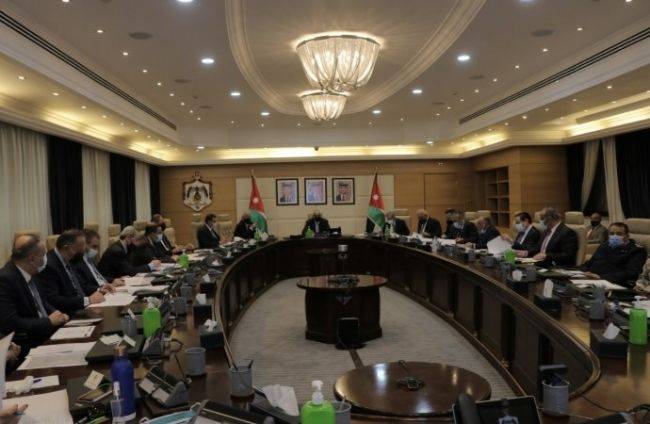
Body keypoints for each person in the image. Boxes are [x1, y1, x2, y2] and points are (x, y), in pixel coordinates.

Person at [0, 235, 69, 354]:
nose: (46, 259)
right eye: (43, 255)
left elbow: (43, 303)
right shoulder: (5, 280)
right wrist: (48, 321)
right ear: (31, 259)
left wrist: (58, 314)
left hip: (46, 334)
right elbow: (11, 322)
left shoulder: (31, 272)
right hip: (27, 344)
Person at [36, 229, 105, 314]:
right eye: (77, 250)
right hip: (67, 314)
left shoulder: (69, 258)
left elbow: (80, 286)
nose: (81, 253)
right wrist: (87, 300)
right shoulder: (49, 266)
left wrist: (99, 290)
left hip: (82, 308)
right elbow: (54, 299)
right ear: (66, 248)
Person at [581, 222, 647, 287]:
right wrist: (583, 271)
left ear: (627, 236)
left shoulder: (636, 250)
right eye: (611, 234)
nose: (614, 236)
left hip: (615, 284)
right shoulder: (604, 246)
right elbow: (589, 263)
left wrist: (601, 277)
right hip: (591, 280)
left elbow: (631, 273)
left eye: (619, 234)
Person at [73, 229, 121, 294]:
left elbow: (99, 277)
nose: (96, 250)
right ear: (84, 245)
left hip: (106, 289)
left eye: (97, 247)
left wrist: (114, 280)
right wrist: (100, 288)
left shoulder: (90, 259)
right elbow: (83, 287)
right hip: (96, 293)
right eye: (94, 246)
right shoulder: (77, 262)